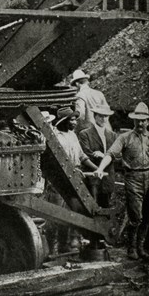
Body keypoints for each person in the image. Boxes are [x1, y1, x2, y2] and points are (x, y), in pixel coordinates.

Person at [95, 102, 149, 260]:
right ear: (133, 121)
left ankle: (141, 247)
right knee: (136, 216)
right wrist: (100, 168)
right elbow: (110, 154)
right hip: (133, 179)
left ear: (148, 121)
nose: (140, 123)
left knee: (147, 215)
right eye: (137, 120)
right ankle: (131, 247)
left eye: (143, 120)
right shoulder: (125, 138)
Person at [50, 106, 98, 252]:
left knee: (74, 211)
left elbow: (82, 156)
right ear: (64, 121)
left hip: (75, 179)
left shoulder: (72, 135)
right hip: (59, 180)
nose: (75, 122)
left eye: (75, 119)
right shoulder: (55, 136)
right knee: (55, 213)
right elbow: (55, 160)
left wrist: (97, 169)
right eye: (72, 120)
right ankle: (51, 247)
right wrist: (72, 169)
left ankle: (67, 245)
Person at [78, 105, 116, 208]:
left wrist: (103, 155)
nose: (103, 119)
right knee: (90, 207)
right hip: (92, 177)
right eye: (100, 116)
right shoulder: (85, 134)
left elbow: (117, 156)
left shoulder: (112, 135)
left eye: (106, 116)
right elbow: (86, 153)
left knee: (105, 207)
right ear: (95, 117)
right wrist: (100, 157)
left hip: (107, 177)